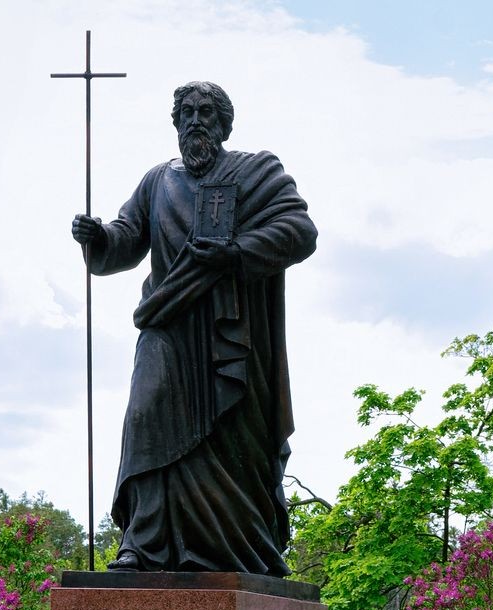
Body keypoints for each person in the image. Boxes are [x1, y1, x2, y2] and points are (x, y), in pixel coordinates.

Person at [71, 81, 317, 575]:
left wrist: (238, 253)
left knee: (229, 443)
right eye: (187, 112)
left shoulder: (257, 171)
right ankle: (142, 544)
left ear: (225, 123)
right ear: (176, 123)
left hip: (232, 338)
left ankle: (241, 550)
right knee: (146, 419)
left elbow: (299, 231)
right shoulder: (157, 181)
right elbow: (126, 238)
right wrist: (98, 237)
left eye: (207, 111)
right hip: (168, 323)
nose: (196, 120)